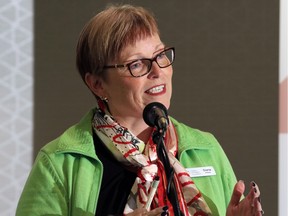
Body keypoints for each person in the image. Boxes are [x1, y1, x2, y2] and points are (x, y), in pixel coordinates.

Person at [16, 4, 263, 216]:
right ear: (97, 84)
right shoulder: (59, 162)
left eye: (160, 56)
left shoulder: (206, 149)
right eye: (137, 64)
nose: (158, 71)